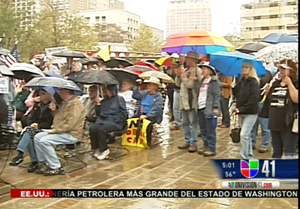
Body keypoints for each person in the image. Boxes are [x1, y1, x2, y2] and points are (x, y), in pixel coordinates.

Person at [33, 88, 85, 176]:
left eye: (61, 91)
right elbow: (59, 118)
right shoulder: (65, 103)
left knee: (45, 141)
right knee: (37, 137)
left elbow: (69, 124)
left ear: (67, 92)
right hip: (61, 131)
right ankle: (44, 162)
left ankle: (55, 166)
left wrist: (54, 131)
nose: (59, 93)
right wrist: (54, 111)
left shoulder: (75, 104)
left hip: (71, 133)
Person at [9, 89, 54, 171]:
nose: (41, 96)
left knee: (28, 132)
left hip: (47, 129)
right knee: (29, 133)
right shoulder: (37, 105)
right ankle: (32, 161)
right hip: (34, 127)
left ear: (49, 95)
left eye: (43, 94)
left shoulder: (52, 107)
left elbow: (50, 122)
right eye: (40, 93)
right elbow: (31, 117)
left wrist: (39, 125)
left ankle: (22, 155)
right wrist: (32, 124)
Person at [262, 61, 298, 158]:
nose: (281, 70)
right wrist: (267, 91)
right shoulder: (275, 83)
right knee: (276, 151)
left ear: (291, 70)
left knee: (289, 151)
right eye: (280, 68)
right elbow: (269, 100)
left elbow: (296, 99)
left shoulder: (295, 83)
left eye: (284, 68)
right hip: (274, 121)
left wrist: (289, 84)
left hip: (288, 122)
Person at [89, 85, 127, 160]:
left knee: (102, 129)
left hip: (115, 122)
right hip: (102, 120)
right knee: (93, 128)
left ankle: (104, 149)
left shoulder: (119, 99)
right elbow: (98, 113)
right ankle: (96, 148)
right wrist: (98, 104)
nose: (105, 93)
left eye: (106, 91)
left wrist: (114, 119)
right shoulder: (104, 100)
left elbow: (123, 113)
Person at [176, 52, 202, 153]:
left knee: (193, 123)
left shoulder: (197, 70)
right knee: (185, 122)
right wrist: (178, 76)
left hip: (192, 100)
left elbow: (190, 85)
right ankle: (187, 140)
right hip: (184, 100)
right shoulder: (186, 70)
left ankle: (193, 142)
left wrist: (183, 76)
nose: (186, 61)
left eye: (188, 59)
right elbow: (178, 84)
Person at [233, 61, 260, 159]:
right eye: (242, 67)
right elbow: (237, 94)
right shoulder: (241, 81)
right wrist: (234, 86)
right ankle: (249, 155)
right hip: (241, 111)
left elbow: (254, 98)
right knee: (246, 135)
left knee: (243, 134)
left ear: (251, 69)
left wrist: (242, 109)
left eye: (246, 67)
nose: (243, 69)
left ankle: (244, 156)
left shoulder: (254, 82)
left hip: (251, 112)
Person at [197, 64, 221, 157]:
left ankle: (212, 148)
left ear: (210, 71)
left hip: (209, 108)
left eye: (204, 69)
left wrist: (215, 107)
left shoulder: (214, 82)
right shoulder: (202, 80)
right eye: (202, 69)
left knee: (210, 129)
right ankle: (205, 145)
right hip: (200, 106)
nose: (203, 71)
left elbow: (217, 95)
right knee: (203, 129)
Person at [132, 77, 164, 146]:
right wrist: (137, 86)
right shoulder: (145, 93)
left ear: (155, 87)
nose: (148, 86)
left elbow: (156, 109)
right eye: (148, 84)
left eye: (151, 85)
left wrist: (147, 115)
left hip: (152, 115)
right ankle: (134, 139)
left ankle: (148, 141)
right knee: (131, 121)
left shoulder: (158, 97)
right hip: (141, 113)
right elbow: (135, 95)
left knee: (148, 124)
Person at [250, 69, 272, 153]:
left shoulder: (266, 72)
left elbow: (264, 80)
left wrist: (255, 78)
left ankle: (264, 145)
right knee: (253, 125)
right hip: (253, 103)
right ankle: (252, 143)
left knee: (265, 126)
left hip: (263, 103)